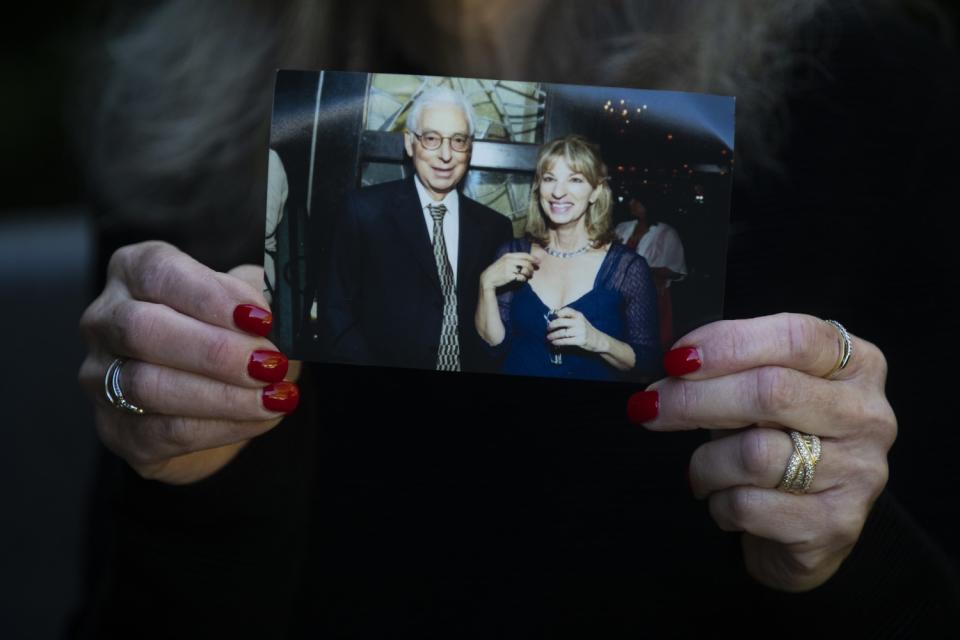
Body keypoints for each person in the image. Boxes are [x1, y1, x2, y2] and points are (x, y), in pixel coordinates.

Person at [72, 1, 960, 637]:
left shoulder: (869, 85)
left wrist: (842, 548)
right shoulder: (175, 130)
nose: (450, 156)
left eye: (464, 144)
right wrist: (185, 481)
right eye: (431, 142)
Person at [322, 86, 513, 372]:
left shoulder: (495, 227)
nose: (446, 155)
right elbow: (335, 310)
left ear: (470, 147)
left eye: (458, 140)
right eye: (432, 139)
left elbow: (501, 322)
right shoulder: (364, 211)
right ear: (410, 143)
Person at [476, 135, 661, 381]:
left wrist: (597, 340)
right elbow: (494, 348)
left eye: (575, 180)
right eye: (549, 179)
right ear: (539, 187)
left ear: (595, 191)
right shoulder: (512, 252)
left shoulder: (627, 268)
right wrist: (485, 285)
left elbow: (647, 362)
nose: (558, 192)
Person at [614, 197, 687, 348]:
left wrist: (640, 271)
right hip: (619, 295)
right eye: (631, 200)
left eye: (637, 201)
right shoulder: (622, 227)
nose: (631, 203)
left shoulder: (667, 233)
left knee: (647, 344)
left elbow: (676, 271)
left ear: (650, 205)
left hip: (653, 297)